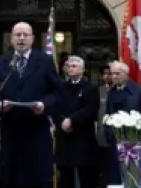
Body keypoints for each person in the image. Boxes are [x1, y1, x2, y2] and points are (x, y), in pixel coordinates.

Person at [0, 21, 61, 188]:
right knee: (10, 178)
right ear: (11, 39)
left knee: (38, 177)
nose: (21, 38)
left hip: (37, 130)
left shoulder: (45, 61)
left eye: (25, 35)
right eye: (17, 35)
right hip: (10, 130)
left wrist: (44, 105)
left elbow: (56, 92)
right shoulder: (1, 62)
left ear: (32, 39)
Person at [104, 61, 141, 185]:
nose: (114, 77)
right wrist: (109, 135)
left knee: (134, 180)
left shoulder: (138, 91)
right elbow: (108, 115)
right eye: (112, 74)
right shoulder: (111, 92)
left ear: (126, 74)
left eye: (117, 73)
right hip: (116, 142)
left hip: (135, 143)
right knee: (117, 179)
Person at [52, 56, 99, 188]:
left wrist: (72, 120)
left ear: (82, 69)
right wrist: (62, 121)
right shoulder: (61, 86)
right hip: (64, 136)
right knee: (65, 174)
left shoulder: (91, 88)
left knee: (85, 174)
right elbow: (55, 107)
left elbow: (90, 110)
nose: (70, 68)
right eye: (68, 66)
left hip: (82, 136)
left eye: (74, 66)